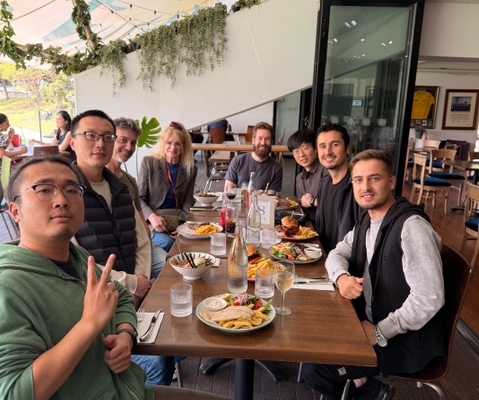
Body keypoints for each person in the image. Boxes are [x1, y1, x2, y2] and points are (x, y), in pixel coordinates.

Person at [0, 156, 229, 400]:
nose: (61, 200)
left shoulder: (77, 258)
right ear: (15, 211)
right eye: (44, 190)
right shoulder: (8, 288)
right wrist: (89, 324)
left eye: (71, 190)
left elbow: (121, 297)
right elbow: (13, 392)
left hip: (130, 391)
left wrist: (125, 334)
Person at [302, 149, 446, 400]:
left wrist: (380, 332)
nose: (365, 187)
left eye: (374, 178)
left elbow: (429, 298)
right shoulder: (367, 221)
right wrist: (341, 277)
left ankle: (370, 391)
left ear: (391, 182)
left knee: (317, 369)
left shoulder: (412, 227)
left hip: (405, 339)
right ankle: (366, 386)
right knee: (311, 337)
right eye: (358, 180)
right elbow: (336, 253)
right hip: (369, 321)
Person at [105, 117, 167, 279]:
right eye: (123, 140)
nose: (129, 147)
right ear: (110, 139)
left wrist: (147, 249)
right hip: (115, 253)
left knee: (171, 270)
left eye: (133, 143)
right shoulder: (98, 178)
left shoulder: (130, 180)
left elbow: (141, 221)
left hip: (139, 246)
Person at [137, 121, 197, 253]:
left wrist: (182, 224)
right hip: (152, 220)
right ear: (163, 144)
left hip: (177, 219)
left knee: (194, 242)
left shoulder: (191, 169)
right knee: (168, 243)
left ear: (183, 146)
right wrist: (152, 217)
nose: (173, 147)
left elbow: (188, 200)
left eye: (178, 144)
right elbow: (139, 198)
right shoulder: (149, 163)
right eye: (169, 143)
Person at [315, 123, 361, 254]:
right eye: (322, 146)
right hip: (322, 256)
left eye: (335, 145)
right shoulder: (323, 184)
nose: (328, 152)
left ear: (347, 148)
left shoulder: (357, 186)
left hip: (346, 261)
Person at [224, 121, 282, 194]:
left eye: (267, 139)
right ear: (253, 140)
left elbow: (270, 197)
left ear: (271, 142)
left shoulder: (276, 168)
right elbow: (228, 190)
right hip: (238, 201)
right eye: (260, 138)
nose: (263, 143)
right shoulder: (237, 161)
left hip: (261, 202)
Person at [287, 127, 328, 226]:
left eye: (305, 148)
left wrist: (311, 201)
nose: (301, 154)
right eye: (296, 151)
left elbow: (334, 204)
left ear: (316, 148)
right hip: (307, 226)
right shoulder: (299, 178)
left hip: (325, 227)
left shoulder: (326, 170)